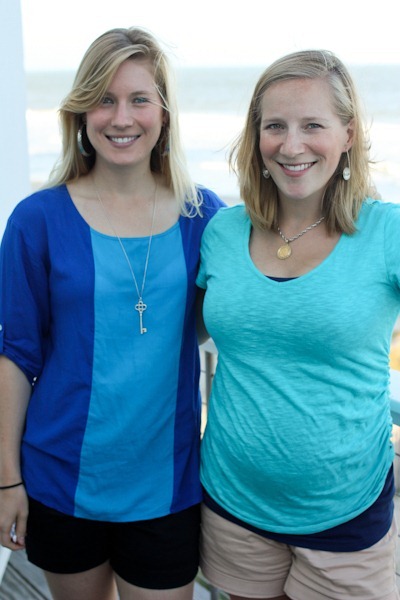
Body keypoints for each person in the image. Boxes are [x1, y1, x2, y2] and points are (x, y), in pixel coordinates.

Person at [0, 26, 223, 600]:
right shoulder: (37, 220)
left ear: (164, 114)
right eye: (104, 99)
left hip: (168, 483)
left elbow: (228, 318)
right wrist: (6, 481)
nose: (121, 118)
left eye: (139, 99)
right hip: (60, 478)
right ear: (81, 113)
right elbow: (15, 355)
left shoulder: (203, 216)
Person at [196, 49, 400, 600]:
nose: (291, 146)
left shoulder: (387, 233)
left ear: (348, 134)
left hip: (346, 511)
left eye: (313, 125)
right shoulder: (221, 232)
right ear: (256, 136)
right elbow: (180, 331)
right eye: (275, 126)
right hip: (233, 504)